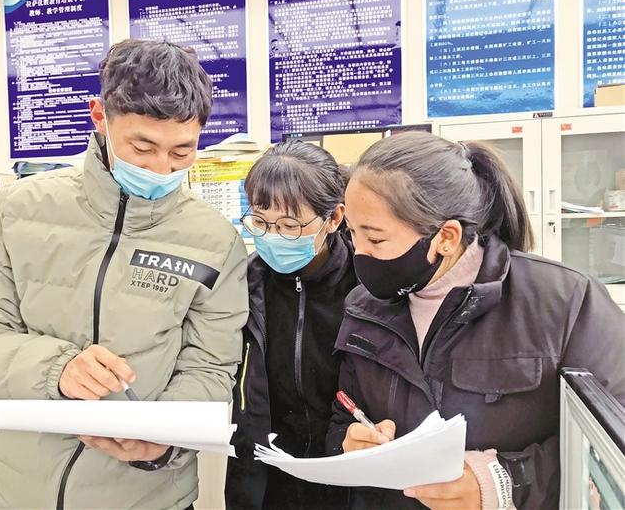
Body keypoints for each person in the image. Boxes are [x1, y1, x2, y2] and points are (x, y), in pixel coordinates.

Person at [0, 40, 249, 510]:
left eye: (182, 151)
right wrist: (56, 369)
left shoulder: (214, 239)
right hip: (15, 490)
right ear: (100, 116)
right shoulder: (20, 209)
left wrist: (163, 441)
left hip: (147, 497)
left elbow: (210, 366)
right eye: (142, 147)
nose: (161, 168)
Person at [326, 131, 624, 509]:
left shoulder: (565, 302)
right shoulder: (364, 308)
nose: (359, 253)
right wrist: (349, 442)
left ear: (447, 237)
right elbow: (344, 410)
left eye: (376, 239)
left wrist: (502, 482)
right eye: (353, 233)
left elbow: (610, 445)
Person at [225, 140, 358, 510]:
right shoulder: (241, 286)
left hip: (348, 476)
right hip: (265, 478)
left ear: (334, 218)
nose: (272, 237)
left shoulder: (365, 288)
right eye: (260, 222)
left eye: (289, 225)